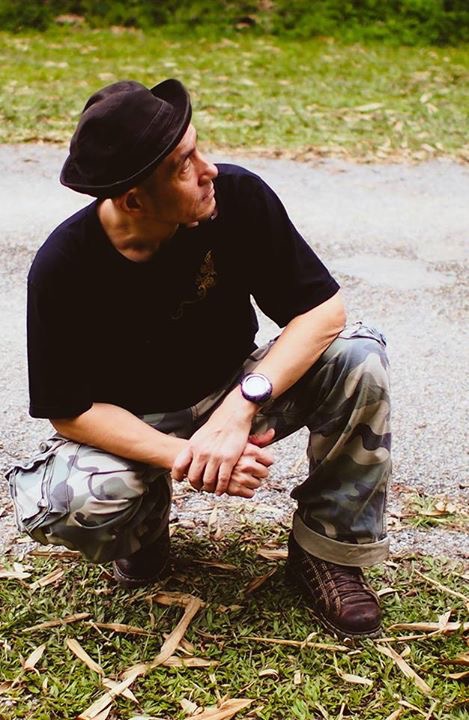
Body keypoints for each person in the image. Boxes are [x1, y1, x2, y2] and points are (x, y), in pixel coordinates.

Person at [7, 78, 391, 639]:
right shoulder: (64, 267)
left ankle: (327, 552)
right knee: (72, 501)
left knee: (358, 355)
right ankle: (142, 533)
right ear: (134, 200)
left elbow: (323, 312)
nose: (209, 169)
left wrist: (237, 411)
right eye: (184, 166)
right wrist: (189, 456)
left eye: (198, 149)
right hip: (138, 425)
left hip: (237, 389)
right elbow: (71, 411)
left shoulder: (237, 197)